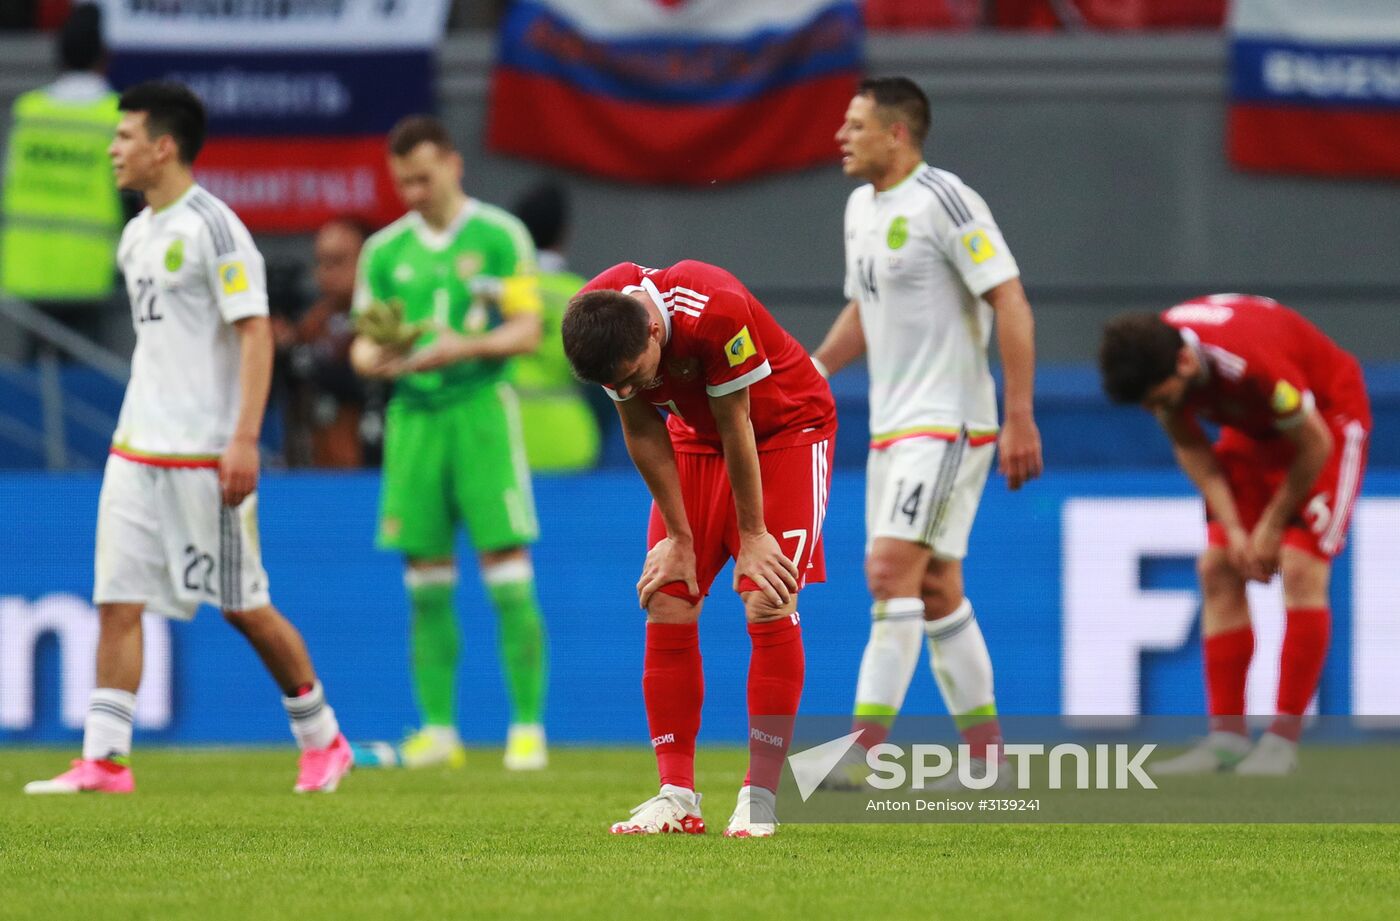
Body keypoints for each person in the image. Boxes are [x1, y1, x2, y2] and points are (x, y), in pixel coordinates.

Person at [24, 81, 352, 795]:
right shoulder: (137, 232)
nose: (113, 149)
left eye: (124, 136)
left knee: (243, 605)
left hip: (205, 454)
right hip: (134, 447)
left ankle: (322, 736)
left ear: (162, 146)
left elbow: (256, 332)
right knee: (116, 597)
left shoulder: (216, 228)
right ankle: (106, 759)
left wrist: (242, 438)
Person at [810, 77, 1043, 786]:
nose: (841, 138)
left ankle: (863, 747)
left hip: (949, 423)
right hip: (892, 426)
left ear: (897, 133)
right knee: (936, 587)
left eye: (855, 126)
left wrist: (1020, 413)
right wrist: (814, 368)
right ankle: (989, 759)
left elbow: (1009, 299)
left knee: (888, 572)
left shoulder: (946, 199)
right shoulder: (859, 208)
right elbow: (865, 308)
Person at [562, 259, 837, 838]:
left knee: (767, 596)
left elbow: (736, 418)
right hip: (696, 437)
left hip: (785, 431)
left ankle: (760, 796)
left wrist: (755, 535)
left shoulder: (715, 309)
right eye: (619, 382)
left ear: (654, 332)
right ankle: (677, 798)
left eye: (635, 373)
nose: (632, 388)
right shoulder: (600, 320)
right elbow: (641, 427)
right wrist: (680, 541)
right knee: (667, 592)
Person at [349, 116, 549, 771]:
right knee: (425, 579)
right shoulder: (383, 251)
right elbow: (361, 342)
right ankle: (439, 730)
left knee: (507, 571)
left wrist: (464, 346)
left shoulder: (498, 237)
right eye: (401, 180)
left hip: (479, 412)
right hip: (414, 418)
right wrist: (375, 356)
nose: (412, 191)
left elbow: (526, 329)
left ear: (454, 165)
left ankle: (526, 727)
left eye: (423, 177)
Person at [1099, 295, 1370, 775]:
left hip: (1326, 420)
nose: (1161, 409)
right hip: (1253, 429)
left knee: (1301, 564)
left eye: (1163, 399)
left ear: (1185, 362)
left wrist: (1268, 528)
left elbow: (1313, 444)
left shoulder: (1252, 363)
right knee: (1217, 566)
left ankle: (1281, 741)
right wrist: (1234, 528)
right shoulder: (1159, 357)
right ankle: (1226, 738)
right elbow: (1191, 445)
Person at [0, 3, 123, 342]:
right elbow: (131, 200)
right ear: (104, 56)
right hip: (90, 273)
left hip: (29, 270)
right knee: (87, 386)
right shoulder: (116, 118)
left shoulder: (29, 112)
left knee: (37, 387)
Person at [509, 181, 602, 472]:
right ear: (564, 233)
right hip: (571, 442)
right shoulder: (583, 293)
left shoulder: (499, 292)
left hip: (506, 440)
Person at [273, 216, 378, 468]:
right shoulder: (311, 322)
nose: (326, 272)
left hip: (371, 467)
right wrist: (281, 351)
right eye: (322, 262)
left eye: (338, 261)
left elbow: (356, 380)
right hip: (312, 470)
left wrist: (304, 356)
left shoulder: (382, 320)